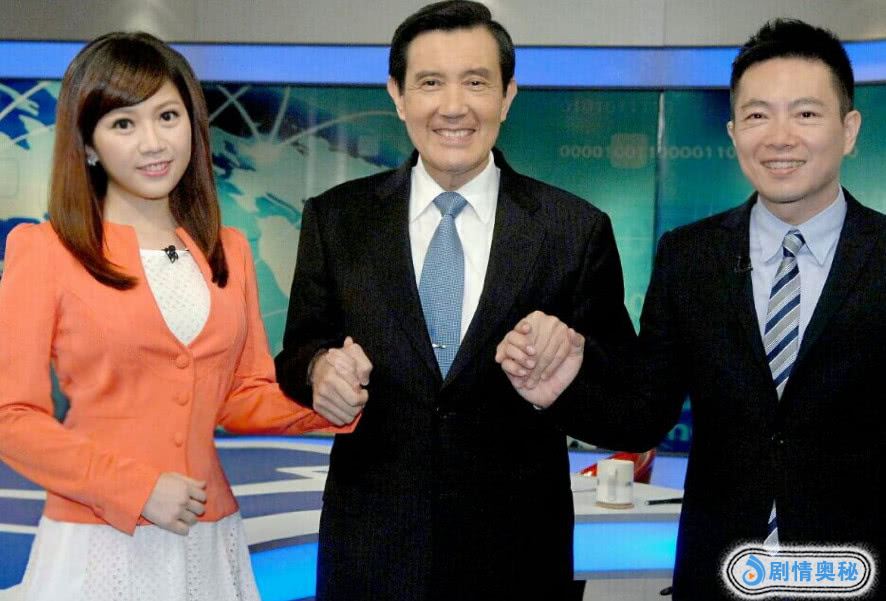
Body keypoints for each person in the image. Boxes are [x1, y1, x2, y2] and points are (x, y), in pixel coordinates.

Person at [499, 18, 883, 600]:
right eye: (757, 115)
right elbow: (644, 415)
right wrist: (562, 388)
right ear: (733, 132)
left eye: (806, 113)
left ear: (849, 129)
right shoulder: (690, 257)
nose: (779, 137)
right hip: (721, 571)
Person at [273, 1, 635, 599]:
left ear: (507, 95)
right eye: (429, 83)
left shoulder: (573, 229)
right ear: (397, 95)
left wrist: (569, 376)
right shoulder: (337, 220)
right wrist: (317, 371)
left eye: (475, 82)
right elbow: (298, 352)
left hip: (517, 558)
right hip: (373, 554)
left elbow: (626, 406)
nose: (452, 106)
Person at [0, 32, 359, 601]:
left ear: (192, 123)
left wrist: (330, 397)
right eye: (123, 123)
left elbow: (241, 395)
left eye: (167, 116)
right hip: (99, 538)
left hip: (207, 535)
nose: (153, 143)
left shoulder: (228, 249)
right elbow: (11, 416)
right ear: (88, 144)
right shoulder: (45, 251)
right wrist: (135, 488)